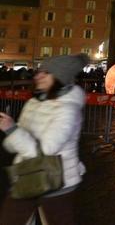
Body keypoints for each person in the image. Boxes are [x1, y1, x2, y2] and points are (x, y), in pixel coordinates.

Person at [0, 54, 88, 225]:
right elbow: (13, 145)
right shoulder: (34, 103)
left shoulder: (67, 110)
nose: (37, 76)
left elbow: (46, 150)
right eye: (40, 71)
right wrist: (10, 131)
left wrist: (11, 129)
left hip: (57, 180)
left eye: (46, 73)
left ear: (59, 78)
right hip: (26, 173)